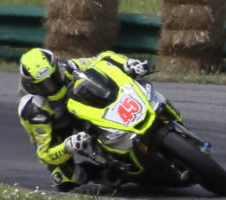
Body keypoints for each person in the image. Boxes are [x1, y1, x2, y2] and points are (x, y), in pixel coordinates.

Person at [17, 48, 153, 192]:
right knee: (65, 179)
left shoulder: (68, 68)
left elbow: (103, 58)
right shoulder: (34, 110)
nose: (52, 86)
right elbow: (45, 154)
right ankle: (106, 172)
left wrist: (128, 63)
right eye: (44, 85)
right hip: (60, 126)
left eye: (54, 78)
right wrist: (68, 146)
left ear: (57, 68)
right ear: (32, 85)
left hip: (83, 106)